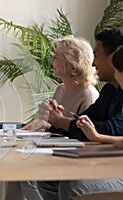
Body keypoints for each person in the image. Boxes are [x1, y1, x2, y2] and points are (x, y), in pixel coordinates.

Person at [6, 35, 99, 200]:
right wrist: (42, 122)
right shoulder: (60, 89)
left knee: (26, 175)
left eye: (55, 57)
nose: (51, 61)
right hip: (54, 152)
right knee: (13, 173)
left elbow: (84, 136)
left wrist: (52, 124)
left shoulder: (88, 94)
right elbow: (53, 125)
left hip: (74, 160)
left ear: (70, 61)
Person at [37, 28, 123, 200]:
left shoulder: (91, 93)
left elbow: (113, 129)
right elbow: (86, 120)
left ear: (114, 57)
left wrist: (63, 122)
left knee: (73, 185)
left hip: (117, 169)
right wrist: (57, 121)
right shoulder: (109, 90)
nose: (93, 64)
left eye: (96, 56)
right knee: (46, 178)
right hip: (106, 162)